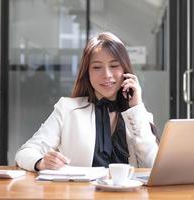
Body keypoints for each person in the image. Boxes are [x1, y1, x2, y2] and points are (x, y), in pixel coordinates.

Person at [15, 32, 158, 171]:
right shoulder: (67, 109)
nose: (107, 75)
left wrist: (136, 107)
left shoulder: (138, 114)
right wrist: (41, 163)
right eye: (97, 67)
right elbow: (25, 153)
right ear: (87, 73)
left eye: (114, 66)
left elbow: (153, 165)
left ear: (125, 70)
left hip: (127, 195)